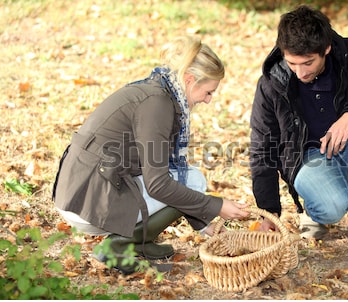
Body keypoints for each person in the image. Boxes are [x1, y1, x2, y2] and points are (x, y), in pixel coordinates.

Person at [53, 36, 249, 274]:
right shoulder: (157, 105)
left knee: (187, 178)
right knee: (193, 181)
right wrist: (215, 206)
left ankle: (140, 242)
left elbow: (160, 172)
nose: (208, 100)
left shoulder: (159, 91)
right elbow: (158, 184)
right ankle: (119, 246)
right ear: (189, 80)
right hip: (89, 202)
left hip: (86, 190)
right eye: (208, 92)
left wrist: (205, 224)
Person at [250, 5, 348, 262]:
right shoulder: (272, 82)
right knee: (331, 207)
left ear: (326, 48)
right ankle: (315, 213)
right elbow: (262, 146)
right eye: (292, 63)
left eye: (308, 62)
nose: (300, 72)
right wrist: (268, 212)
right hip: (309, 158)